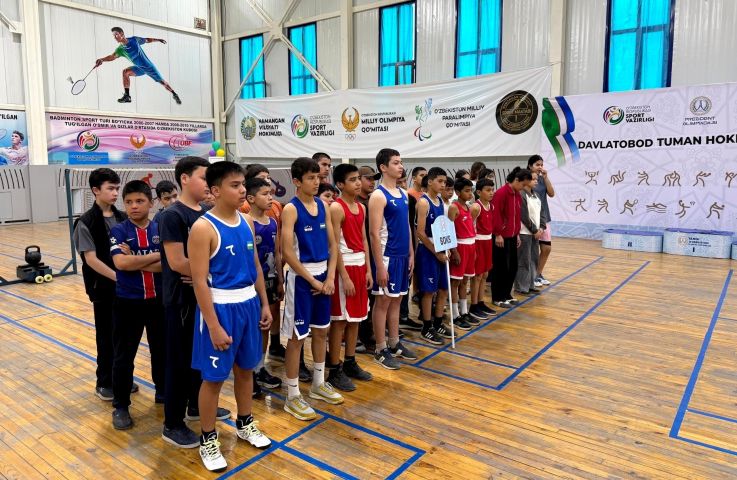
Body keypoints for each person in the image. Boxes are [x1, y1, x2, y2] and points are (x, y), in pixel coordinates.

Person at [189, 161, 272, 472]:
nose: (242, 191)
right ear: (215, 190)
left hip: (248, 304)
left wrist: (264, 304)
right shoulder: (203, 228)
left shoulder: (247, 221)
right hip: (220, 309)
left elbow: (256, 266)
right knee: (212, 380)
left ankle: (245, 423)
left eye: (243, 185)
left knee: (246, 370)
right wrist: (213, 326)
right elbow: (199, 282)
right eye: (235, 185)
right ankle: (208, 439)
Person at [158, 156, 230, 449]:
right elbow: (177, 262)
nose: (208, 183)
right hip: (181, 301)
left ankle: (196, 406)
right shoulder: (172, 216)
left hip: (203, 298)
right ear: (185, 179)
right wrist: (213, 272)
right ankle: (172, 424)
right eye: (203, 177)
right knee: (177, 362)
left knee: (198, 359)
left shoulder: (207, 213)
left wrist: (205, 273)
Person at [281, 157, 342, 421]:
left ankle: (318, 383)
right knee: (296, 338)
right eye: (310, 178)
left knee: (321, 331)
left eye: (318, 177)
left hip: (323, 276)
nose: (316, 182)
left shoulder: (323, 206)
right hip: (300, 278)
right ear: (297, 181)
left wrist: (330, 277)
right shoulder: (290, 209)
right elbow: (287, 252)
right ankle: (292, 395)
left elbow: (333, 245)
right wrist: (313, 281)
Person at [109, 180, 165, 430]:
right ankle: (121, 406)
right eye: (129, 202)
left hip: (158, 301)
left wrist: (135, 258)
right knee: (124, 356)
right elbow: (121, 264)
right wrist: (156, 256)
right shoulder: (119, 231)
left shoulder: (161, 229)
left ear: (151, 203)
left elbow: (169, 265)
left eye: (140, 201)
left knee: (161, 351)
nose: (134, 206)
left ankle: (163, 392)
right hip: (127, 302)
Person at [73, 168, 130, 401]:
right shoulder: (85, 222)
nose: (115, 193)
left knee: (124, 336)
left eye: (117, 188)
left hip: (127, 289)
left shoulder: (123, 217)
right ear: (96, 190)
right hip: (103, 289)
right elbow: (91, 259)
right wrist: (119, 277)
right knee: (106, 336)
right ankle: (105, 382)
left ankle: (121, 379)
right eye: (111, 188)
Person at [326, 164, 374, 391]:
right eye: (352, 179)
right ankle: (334, 369)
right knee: (340, 321)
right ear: (340, 184)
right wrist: (344, 276)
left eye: (358, 179)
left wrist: (368, 270)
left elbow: (364, 240)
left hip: (360, 266)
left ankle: (350, 361)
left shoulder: (361, 207)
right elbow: (334, 244)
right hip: (344, 267)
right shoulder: (337, 208)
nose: (358, 183)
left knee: (357, 318)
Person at [369, 149, 416, 370]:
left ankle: (394, 342)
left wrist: (411, 253)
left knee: (397, 300)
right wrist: (379, 266)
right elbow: (373, 233)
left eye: (401, 162)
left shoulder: (403, 194)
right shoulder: (378, 196)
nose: (401, 166)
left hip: (402, 256)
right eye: (396, 163)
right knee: (383, 303)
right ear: (383, 167)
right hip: (387, 257)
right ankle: (380, 348)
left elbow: (406, 225)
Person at [245, 177, 284, 390]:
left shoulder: (273, 223)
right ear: (251, 198)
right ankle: (249, 372)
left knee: (265, 326)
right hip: (252, 285)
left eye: (271, 193)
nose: (270, 198)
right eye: (265, 194)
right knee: (252, 327)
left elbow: (277, 253)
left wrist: (280, 279)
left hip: (271, 282)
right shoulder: (246, 223)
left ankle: (260, 368)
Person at [95, 27, 181, 104]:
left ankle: (174, 94)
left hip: (149, 67)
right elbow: (112, 57)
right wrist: (102, 59)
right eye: (113, 36)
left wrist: (158, 40)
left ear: (122, 34)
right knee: (125, 72)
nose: (115, 37)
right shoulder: (120, 49)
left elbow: (147, 40)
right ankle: (127, 96)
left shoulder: (134, 40)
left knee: (162, 82)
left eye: (116, 35)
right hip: (139, 69)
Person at [414, 167, 450, 344]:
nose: (443, 185)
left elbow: (442, 227)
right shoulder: (423, 202)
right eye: (440, 181)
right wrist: (436, 252)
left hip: (440, 249)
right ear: (430, 182)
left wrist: (447, 247)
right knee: (428, 291)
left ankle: (438, 322)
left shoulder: (440, 201)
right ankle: (426, 327)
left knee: (443, 288)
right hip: (427, 251)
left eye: (445, 182)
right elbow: (420, 232)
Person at [491, 167, 533, 308]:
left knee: (512, 267)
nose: (523, 187)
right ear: (516, 180)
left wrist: (517, 234)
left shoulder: (517, 195)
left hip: (513, 236)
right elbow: (496, 215)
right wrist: (498, 234)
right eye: (523, 184)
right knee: (500, 268)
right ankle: (497, 297)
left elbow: (517, 216)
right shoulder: (501, 193)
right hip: (501, 237)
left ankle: (506, 294)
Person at [447, 178, 480, 331]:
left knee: (465, 281)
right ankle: (455, 315)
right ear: (458, 192)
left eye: (470, 191)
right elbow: (449, 231)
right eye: (466, 191)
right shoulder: (454, 207)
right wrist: (454, 251)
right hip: (460, 247)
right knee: (455, 282)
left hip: (471, 246)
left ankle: (464, 311)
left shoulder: (468, 207)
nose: (470, 194)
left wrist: (474, 250)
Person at [356, 165, 379, 352]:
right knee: (358, 295)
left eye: (374, 179)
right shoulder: (354, 202)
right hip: (357, 255)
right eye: (368, 178)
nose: (372, 182)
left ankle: (367, 332)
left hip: (373, 253)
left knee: (371, 296)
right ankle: (355, 336)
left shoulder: (373, 200)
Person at [469, 178, 496, 319]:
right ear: (479, 192)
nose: (491, 193)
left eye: (492, 190)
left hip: (488, 241)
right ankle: (473, 305)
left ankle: (480, 302)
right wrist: (473, 247)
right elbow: (469, 227)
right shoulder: (475, 207)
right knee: (477, 275)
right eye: (488, 190)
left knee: (485, 274)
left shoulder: (491, 206)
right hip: (478, 242)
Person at [515, 172, 546, 295]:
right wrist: (534, 230)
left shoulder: (536, 195)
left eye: (537, 179)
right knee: (524, 260)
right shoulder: (521, 195)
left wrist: (541, 228)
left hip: (536, 233)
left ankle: (530, 284)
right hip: (525, 233)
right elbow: (524, 216)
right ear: (526, 180)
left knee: (534, 259)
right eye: (533, 179)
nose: (536, 181)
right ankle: (521, 286)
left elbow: (542, 213)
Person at [528, 155, 555, 286]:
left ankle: (538, 274)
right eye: (537, 165)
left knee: (546, 248)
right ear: (530, 166)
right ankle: (531, 276)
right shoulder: (527, 179)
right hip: (532, 218)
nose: (540, 167)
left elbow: (551, 193)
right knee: (532, 250)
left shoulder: (542, 178)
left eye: (541, 165)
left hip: (544, 218)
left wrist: (546, 178)